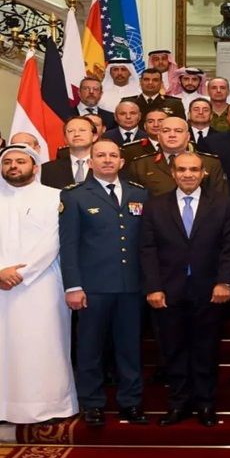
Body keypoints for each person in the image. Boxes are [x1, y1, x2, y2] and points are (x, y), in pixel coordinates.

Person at [0, 144, 77, 424]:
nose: (13, 166)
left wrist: (22, 274)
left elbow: (54, 239)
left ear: (35, 167)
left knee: (41, 346)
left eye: (20, 161)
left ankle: (47, 407)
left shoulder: (54, 197)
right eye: (8, 162)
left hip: (40, 285)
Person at [139, 152, 230, 427]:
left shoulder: (224, 204)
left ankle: (206, 403)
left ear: (203, 173)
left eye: (194, 169)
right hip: (167, 292)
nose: (188, 174)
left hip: (210, 291)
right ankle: (178, 404)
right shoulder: (155, 206)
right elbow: (147, 249)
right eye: (182, 170)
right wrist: (153, 287)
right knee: (173, 350)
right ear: (173, 173)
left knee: (206, 350)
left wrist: (225, 282)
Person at [60, 140, 150, 426]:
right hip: (93, 287)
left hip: (131, 287)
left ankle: (131, 402)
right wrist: (73, 286)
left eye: (113, 155)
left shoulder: (139, 193)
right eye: (101, 155)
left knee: (130, 348)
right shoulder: (74, 195)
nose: (108, 160)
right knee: (90, 348)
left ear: (122, 162)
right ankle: (92, 404)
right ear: (90, 162)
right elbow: (69, 245)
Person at [126, 117, 228, 197]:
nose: (172, 135)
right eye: (166, 131)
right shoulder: (140, 165)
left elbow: (219, 199)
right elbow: (135, 200)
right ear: (159, 137)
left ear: (188, 136)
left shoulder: (210, 163)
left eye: (178, 131)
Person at [40, 116, 96, 189]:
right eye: (70, 131)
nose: (76, 134)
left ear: (94, 137)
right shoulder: (47, 169)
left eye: (82, 130)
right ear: (65, 138)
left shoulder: (106, 165)